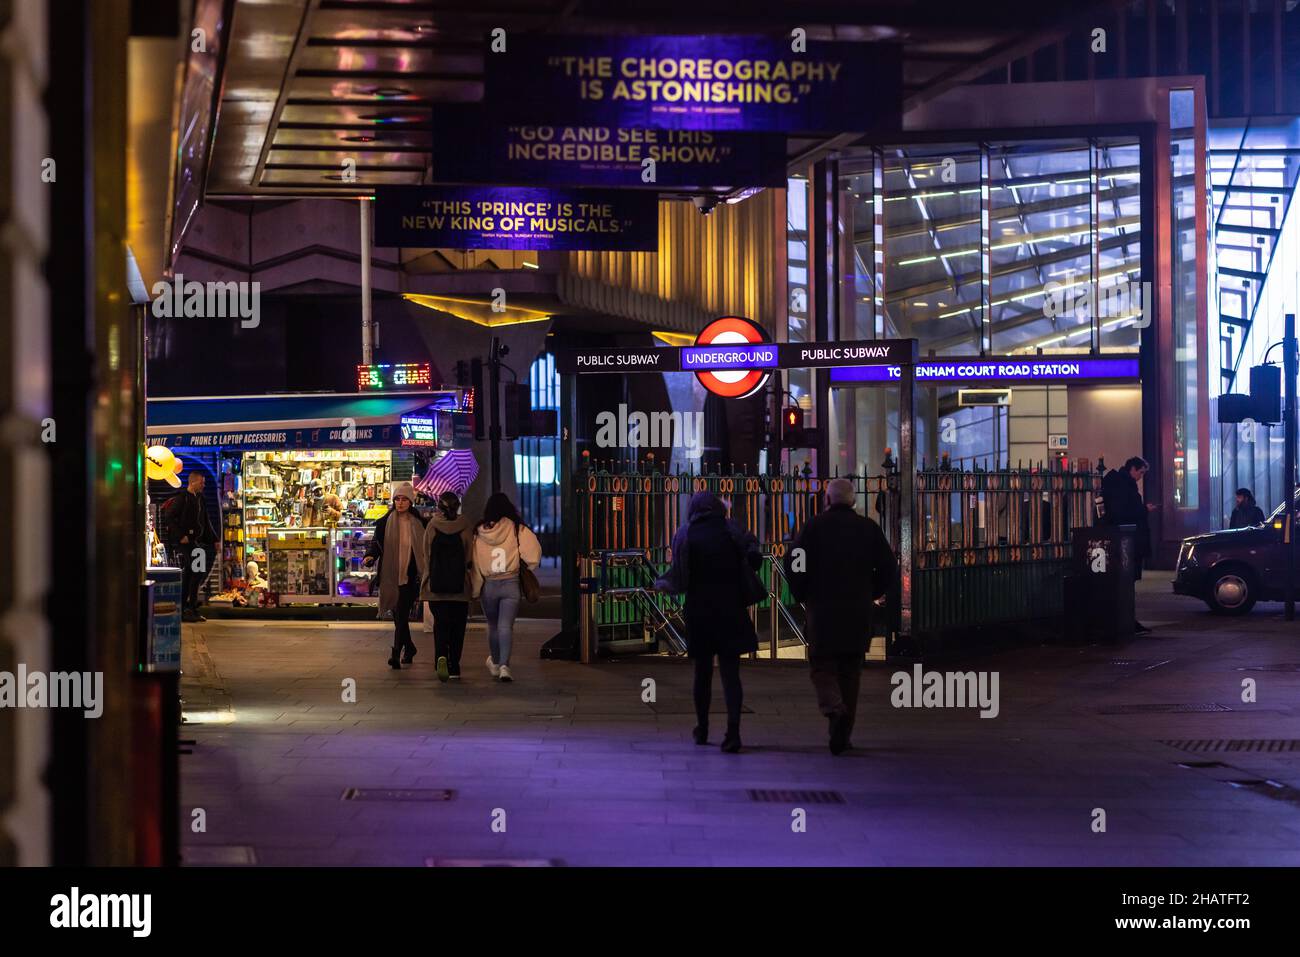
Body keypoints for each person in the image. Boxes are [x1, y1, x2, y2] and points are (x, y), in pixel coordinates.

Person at [784, 478, 896, 755]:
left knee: (822, 666)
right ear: (853, 501)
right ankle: (843, 735)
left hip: (822, 608)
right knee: (850, 672)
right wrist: (872, 591)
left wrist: (802, 590)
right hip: (857, 610)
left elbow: (795, 560)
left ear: (827, 499)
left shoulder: (814, 527)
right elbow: (888, 566)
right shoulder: (868, 528)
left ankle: (834, 708)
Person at [655, 491, 761, 753]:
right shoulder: (732, 529)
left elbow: (679, 577)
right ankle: (733, 732)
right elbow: (754, 554)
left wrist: (663, 584)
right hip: (731, 609)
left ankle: (702, 729)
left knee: (702, 673)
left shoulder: (685, 533)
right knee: (731, 674)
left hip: (700, 611)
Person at [470, 492, 541, 683]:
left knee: (492, 625)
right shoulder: (517, 528)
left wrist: (475, 589)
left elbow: (475, 564)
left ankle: (494, 662)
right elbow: (533, 554)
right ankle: (504, 666)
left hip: (489, 585)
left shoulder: (479, 532)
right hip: (511, 584)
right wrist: (527, 567)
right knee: (505, 626)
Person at [364, 482, 428, 669]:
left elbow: (426, 548)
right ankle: (409, 648)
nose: (400, 503)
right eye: (397, 499)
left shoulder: (420, 523)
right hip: (390, 576)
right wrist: (370, 556)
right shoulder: (384, 523)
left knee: (401, 613)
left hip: (410, 576)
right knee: (399, 616)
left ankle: (395, 652)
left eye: (404, 499)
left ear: (411, 502)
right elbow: (376, 544)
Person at [1099, 455, 1158, 634]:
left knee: (1126, 584)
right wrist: (1144, 509)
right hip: (1128, 543)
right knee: (1126, 584)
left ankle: (1127, 619)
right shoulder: (1124, 486)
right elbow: (1124, 513)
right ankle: (1126, 620)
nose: (1141, 477)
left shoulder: (1120, 484)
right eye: (1141, 472)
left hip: (1127, 542)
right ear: (1133, 469)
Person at [421, 491, 474, 682]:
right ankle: (454, 666)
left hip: (437, 586)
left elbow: (426, 554)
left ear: (439, 507)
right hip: (460, 586)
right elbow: (469, 555)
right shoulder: (465, 525)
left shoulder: (432, 525)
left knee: (441, 625)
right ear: (457, 506)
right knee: (458, 628)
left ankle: (440, 657)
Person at [165, 471, 216, 622]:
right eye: (201, 482)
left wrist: (214, 539)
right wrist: (181, 535)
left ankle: (185, 608)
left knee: (190, 573)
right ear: (193, 482)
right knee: (197, 572)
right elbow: (169, 517)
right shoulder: (182, 498)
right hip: (187, 543)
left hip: (198, 543)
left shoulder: (200, 498)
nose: (204, 485)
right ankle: (190, 608)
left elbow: (205, 520)